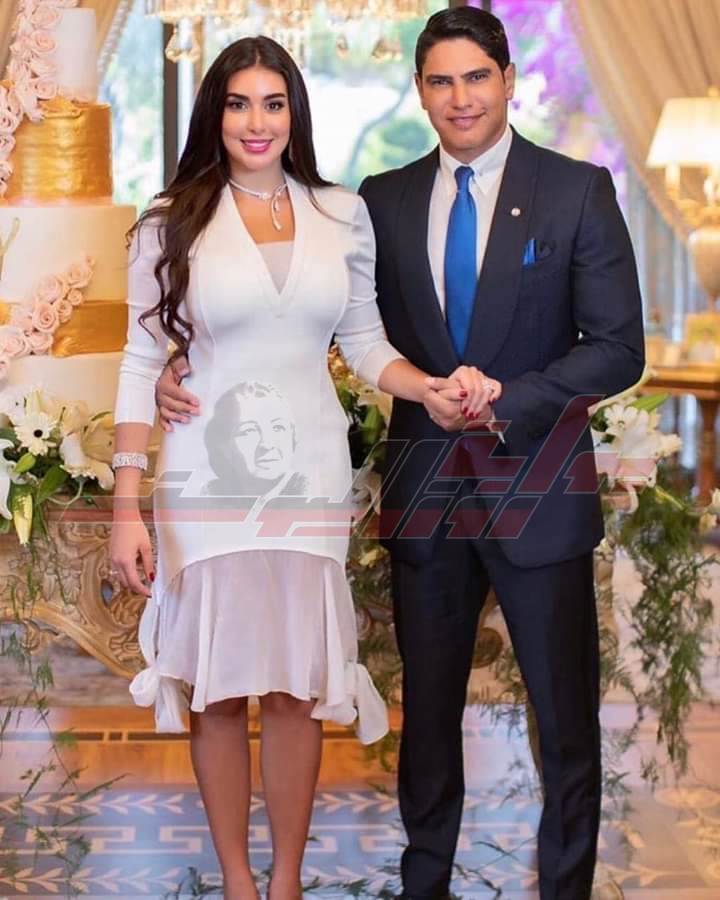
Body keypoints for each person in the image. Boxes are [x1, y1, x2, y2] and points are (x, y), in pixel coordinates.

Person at [155, 9, 645, 899]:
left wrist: (510, 399)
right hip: (426, 493)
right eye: (440, 81)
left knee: (566, 724)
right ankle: (424, 886)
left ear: (508, 80)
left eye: (476, 77)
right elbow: (319, 317)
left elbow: (618, 348)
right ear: (419, 90)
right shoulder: (375, 201)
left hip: (539, 492)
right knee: (428, 726)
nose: (460, 98)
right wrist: (181, 359)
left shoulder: (577, 190)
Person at [110, 35, 496, 900]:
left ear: (295, 114)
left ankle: (285, 883)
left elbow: (363, 341)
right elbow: (140, 361)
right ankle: (238, 884)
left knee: (294, 689)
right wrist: (127, 503)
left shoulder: (339, 213)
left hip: (311, 478)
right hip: (207, 478)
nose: (257, 122)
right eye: (239, 103)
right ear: (214, 113)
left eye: (274, 103)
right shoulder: (171, 219)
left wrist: (428, 389)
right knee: (216, 689)